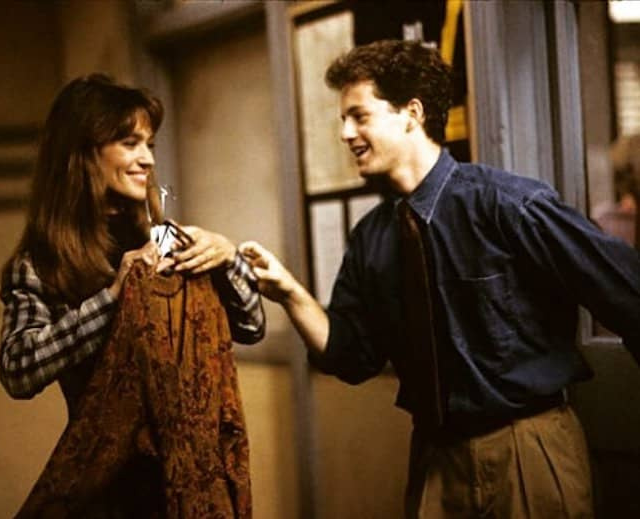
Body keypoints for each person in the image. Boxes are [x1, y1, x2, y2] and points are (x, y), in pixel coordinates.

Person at [240, 40, 640, 518]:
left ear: (412, 113)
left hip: (527, 448)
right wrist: (289, 292)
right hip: (435, 461)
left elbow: (627, 292)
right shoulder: (372, 237)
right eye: (343, 119)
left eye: (359, 116)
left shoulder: (507, 204)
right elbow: (350, 356)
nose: (345, 133)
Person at [0, 73, 265, 514]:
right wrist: (113, 298)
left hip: (185, 487)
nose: (147, 159)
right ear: (83, 152)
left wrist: (227, 257)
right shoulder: (42, 263)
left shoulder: (163, 240)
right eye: (130, 143)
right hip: (105, 492)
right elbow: (17, 370)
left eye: (150, 144)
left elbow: (252, 326)